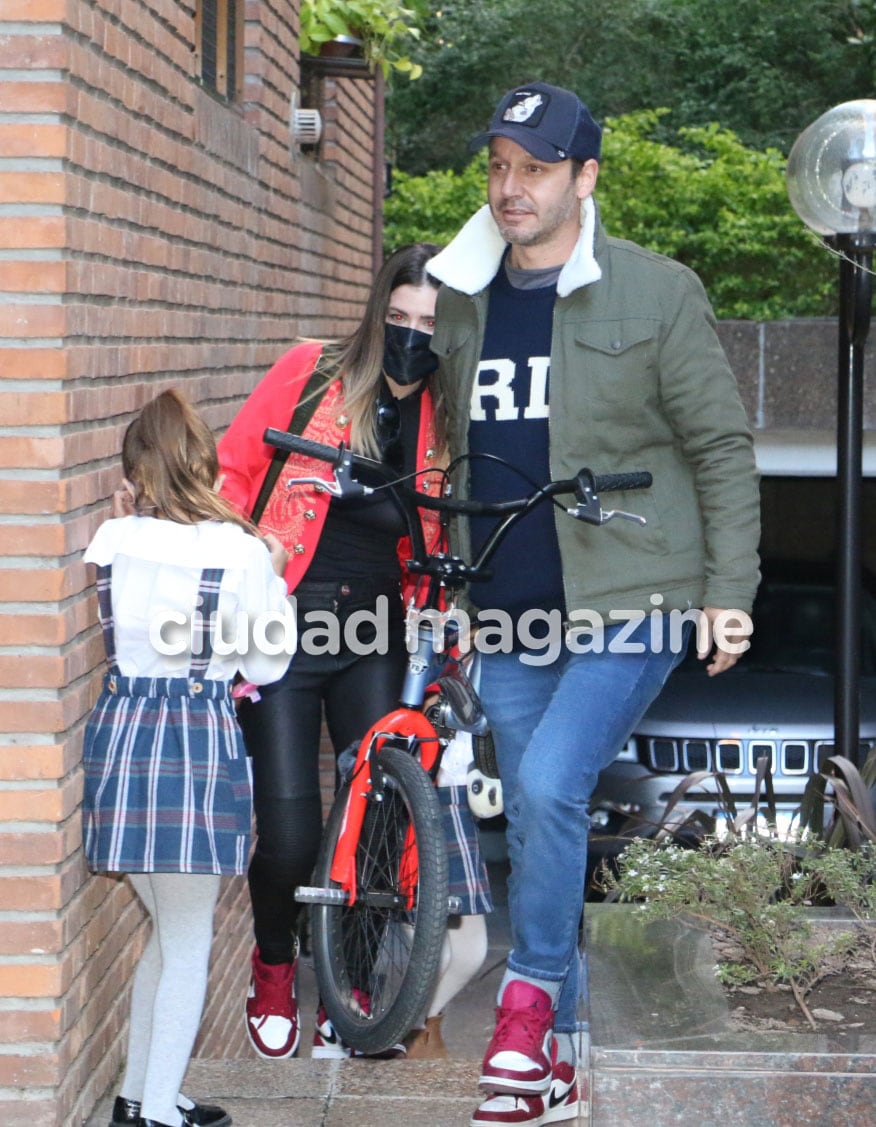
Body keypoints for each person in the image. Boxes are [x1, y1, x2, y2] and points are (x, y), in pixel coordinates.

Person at [425, 81, 761, 1126]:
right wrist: (460, 583)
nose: (511, 187)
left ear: (585, 177)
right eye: (499, 166)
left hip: (634, 590)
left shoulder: (655, 292)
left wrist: (728, 593)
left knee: (552, 778)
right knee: (534, 811)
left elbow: (718, 447)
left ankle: (521, 1013)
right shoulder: (464, 297)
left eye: (535, 167)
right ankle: (563, 1058)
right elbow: (457, 452)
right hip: (514, 605)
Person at [217, 242, 492, 1062]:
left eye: (429, 324)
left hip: (378, 634)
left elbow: (453, 526)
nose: (412, 335)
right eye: (400, 316)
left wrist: (461, 606)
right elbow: (236, 471)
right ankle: (275, 965)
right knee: (294, 830)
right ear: (379, 312)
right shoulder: (313, 372)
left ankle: (355, 982)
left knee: (377, 820)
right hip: (286, 630)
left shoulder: (447, 412)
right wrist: (232, 551)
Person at [81, 390, 292, 1127]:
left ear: (136, 469)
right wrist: (272, 569)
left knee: (167, 932)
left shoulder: (113, 540)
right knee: (188, 937)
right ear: (203, 461)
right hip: (192, 740)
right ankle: (155, 1114)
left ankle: (141, 1097)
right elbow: (266, 665)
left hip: (122, 732)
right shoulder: (236, 550)